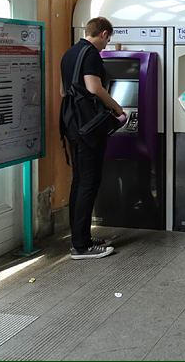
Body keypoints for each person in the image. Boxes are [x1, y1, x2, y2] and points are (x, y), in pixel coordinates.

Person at [60, 17, 126, 260]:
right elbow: (93, 87)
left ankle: (81, 237)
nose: (107, 46)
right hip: (88, 128)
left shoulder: (69, 54)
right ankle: (80, 246)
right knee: (88, 183)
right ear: (104, 34)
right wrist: (118, 109)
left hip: (71, 125)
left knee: (79, 182)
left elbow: (62, 90)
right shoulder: (91, 54)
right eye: (108, 40)